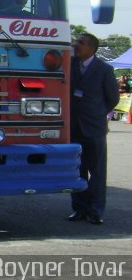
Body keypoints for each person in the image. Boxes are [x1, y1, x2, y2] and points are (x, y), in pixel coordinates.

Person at [68, 33, 120, 225]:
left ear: (91, 47)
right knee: (77, 170)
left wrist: (98, 113)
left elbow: (112, 98)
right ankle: (79, 209)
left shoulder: (104, 69)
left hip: (94, 128)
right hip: (74, 127)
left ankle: (96, 211)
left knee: (97, 171)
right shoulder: (71, 64)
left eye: (80, 42)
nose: (76, 44)